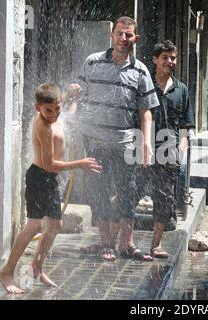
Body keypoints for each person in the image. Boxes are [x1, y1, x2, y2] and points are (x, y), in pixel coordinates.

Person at [0, 83, 102, 294]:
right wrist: (79, 163)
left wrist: (69, 97)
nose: (54, 115)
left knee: (54, 225)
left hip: (50, 180)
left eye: (57, 109)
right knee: (35, 226)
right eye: (48, 110)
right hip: (39, 177)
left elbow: (59, 105)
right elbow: (49, 164)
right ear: (38, 108)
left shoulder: (54, 112)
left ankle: (37, 266)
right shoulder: (43, 127)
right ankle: (6, 272)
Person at [77, 16, 159, 261]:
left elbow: (146, 109)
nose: (124, 38)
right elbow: (78, 94)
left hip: (126, 144)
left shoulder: (140, 69)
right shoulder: (92, 62)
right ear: (112, 35)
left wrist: (147, 142)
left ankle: (126, 243)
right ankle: (105, 244)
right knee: (99, 193)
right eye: (120, 34)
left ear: (136, 38)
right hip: (96, 143)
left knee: (128, 193)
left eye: (129, 35)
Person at [140, 40, 195, 258]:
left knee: (164, 199)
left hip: (169, 152)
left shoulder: (181, 90)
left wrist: (180, 153)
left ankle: (155, 244)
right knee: (130, 193)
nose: (170, 62)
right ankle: (126, 243)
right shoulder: (144, 86)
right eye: (165, 57)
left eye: (173, 58)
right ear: (154, 59)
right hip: (141, 149)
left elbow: (186, 126)